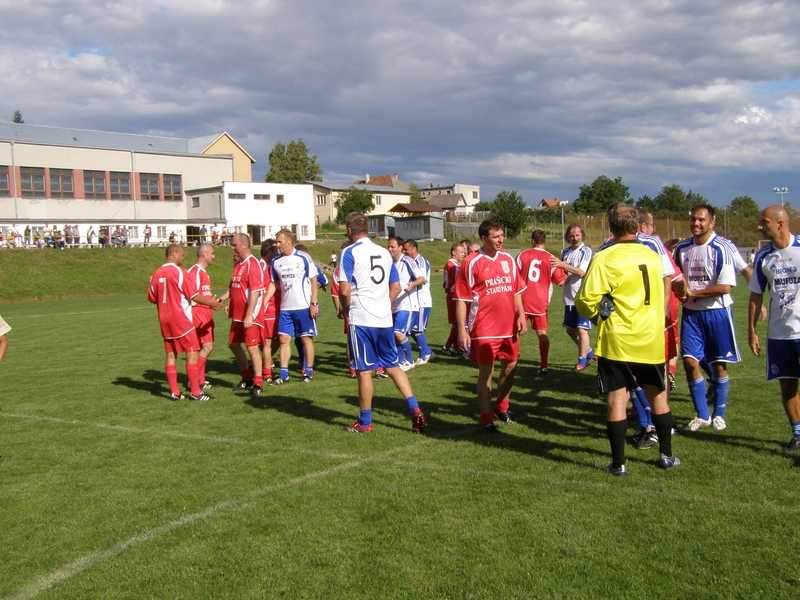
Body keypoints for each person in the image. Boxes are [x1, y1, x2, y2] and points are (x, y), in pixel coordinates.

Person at [576, 204, 679, 475]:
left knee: (617, 400)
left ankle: (618, 464)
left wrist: (598, 313)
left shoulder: (604, 257)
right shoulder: (652, 256)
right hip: (650, 337)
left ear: (610, 227)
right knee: (659, 398)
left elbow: (584, 300)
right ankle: (666, 456)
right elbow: (665, 288)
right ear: (636, 226)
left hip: (618, 339)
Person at [337, 213, 426, 433]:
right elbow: (395, 286)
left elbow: (345, 289)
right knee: (393, 366)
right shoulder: (384, 253)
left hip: (362, 318)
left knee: (364, 371)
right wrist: (384, 304)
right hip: (384, 318)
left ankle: (365, 422)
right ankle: (415, 410)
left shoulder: (349, 252)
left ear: (349, 229)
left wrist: (345, 309)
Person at [673, 203, 740, 432]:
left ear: (712, 222)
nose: (696, 223)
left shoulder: (722, 247)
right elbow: (675, 278)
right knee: (690, 362)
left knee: (718, 364)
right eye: (693, 219)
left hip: (717, 312)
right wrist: (680, 291)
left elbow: (725, 287)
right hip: (691, 314)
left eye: (701, 220)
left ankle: (719, 413)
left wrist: (692, 293)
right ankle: (702, 415)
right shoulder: (682, 248)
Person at [455, 218, 527, 429]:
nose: (500, 240)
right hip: (484, 327)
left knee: (511, 365)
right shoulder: (471, 262)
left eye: (502, 235)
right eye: (495, 236)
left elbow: (516, 290)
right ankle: (486, 415)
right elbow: (462, 299)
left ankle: (502, 405)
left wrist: (521, 314)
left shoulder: (508, 259)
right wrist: (462, 330)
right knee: (486, 371)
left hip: (509, 326)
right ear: (483, 238)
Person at [748, 206, 800, 453]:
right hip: (779, 335)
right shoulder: (763, 257)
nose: (760, 226)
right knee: (787, 387)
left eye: (764, 222)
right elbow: (755, 295)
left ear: (780, 223)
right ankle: (798, 434)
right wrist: (751, 330)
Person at [147, 244, 219, 401]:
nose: (183, 258)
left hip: (164, 320)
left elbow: (152, 298)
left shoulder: (156, 273)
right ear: (174, 253)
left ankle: (175, 392)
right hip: (181, 319)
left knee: (171, 354)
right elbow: (194, 296)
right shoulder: (180, 272)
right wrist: (212, 302)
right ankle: (195, 392)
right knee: (192, 351)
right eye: (182, 255)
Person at [265, 229, 319, 384]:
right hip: (285, 308)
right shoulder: (276, 261)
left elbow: (313, 280)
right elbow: (274, 283)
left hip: (303, 306)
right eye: (276, 241)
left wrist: (314, 303)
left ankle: (308, 371)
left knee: (306, 339)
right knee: (283, 339)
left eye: (279, 241)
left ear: (289, 241)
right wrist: (265, 301)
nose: (277, 244)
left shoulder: (303, 257)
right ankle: (284, 374)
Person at [515, 230, 567, 375]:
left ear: (532, 241)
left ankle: (513, 360)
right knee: (542, 333)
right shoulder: (551, 258)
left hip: (522, 300)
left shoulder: (522, 255)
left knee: (516, 331)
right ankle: (544, 365)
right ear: (544, 241)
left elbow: (514, 276)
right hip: (540, 302)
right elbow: (561, 282)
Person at [228, 233, 266, 397]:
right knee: (233, 344)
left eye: (234, 244)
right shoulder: (239, 264)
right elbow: (235, 287)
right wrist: (228, 302)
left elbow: (255, 291)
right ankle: (247, 377)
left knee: (252, 347)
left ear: (244, 244)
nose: (232, 248)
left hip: (251, 314)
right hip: (237, 314)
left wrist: (249, 314)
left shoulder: (252, 264)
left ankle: (258, 383)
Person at [555, 224, 594, 370]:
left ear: (582, 235)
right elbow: (562, 272)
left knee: (582, 329)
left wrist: (563, 265)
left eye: (577, 235)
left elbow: (581, 272)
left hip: (582, 297)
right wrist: (561, 278)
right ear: (567, 237)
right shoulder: (565, 252)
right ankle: (589, 352)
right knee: (570, 330)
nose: (575, 238)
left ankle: (582, 360)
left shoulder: (586, 251)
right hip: (569, 298)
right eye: (571, 235)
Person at [387, 236, 424, 371]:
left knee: (398, 332)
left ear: (400, 247)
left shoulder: (407, 261)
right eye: (388, 246)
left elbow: (421, 278)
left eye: (392, 246)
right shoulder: (389, 263)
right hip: (394, 305)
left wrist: (412, 284)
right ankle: (400, 361)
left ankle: (409, 360)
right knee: (393, 335)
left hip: (407, 304)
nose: (390, 249)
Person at [187, 243, 218, 392]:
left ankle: (199, 379)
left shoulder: (204, 273)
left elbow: (203, 294)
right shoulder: (194, 272)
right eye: (212, 253)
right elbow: (192, 295)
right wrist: (210, 303)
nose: (214, 256)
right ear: (204, 254)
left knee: (205, 347)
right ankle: (194, 381)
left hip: (205, 312)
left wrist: (212, 302)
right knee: (204, 347)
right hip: (197, 313)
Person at [403, 239, 434, 364]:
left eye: (406, 249)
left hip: (422, 301)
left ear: (414, 248)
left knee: (416, 330)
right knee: (411, 329)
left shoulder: (421, 261)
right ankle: (427, 351)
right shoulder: (410, 262)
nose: (404, 252)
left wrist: (409, 283)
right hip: (414, 301)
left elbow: (422, 280)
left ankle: (425, 353)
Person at [258, 239, 279, 384]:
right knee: (267, 343)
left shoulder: (268, 265)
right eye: (275, 251)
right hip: (267, 309)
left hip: (273, 308)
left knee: (278, 340)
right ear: (270, 251)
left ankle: (265, 363)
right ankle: (267, 373)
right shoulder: (261, 266)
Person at [443, 242, 467, 354]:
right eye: (461, 252)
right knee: (458, 323)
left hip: (455, 296)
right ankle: (454, 347)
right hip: (453, 296)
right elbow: (452, 283)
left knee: (458, 323)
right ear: (453, 252)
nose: (463, 254)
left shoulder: (456, 264)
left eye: (464, 252)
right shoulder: (451, 265)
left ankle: (453, 347)